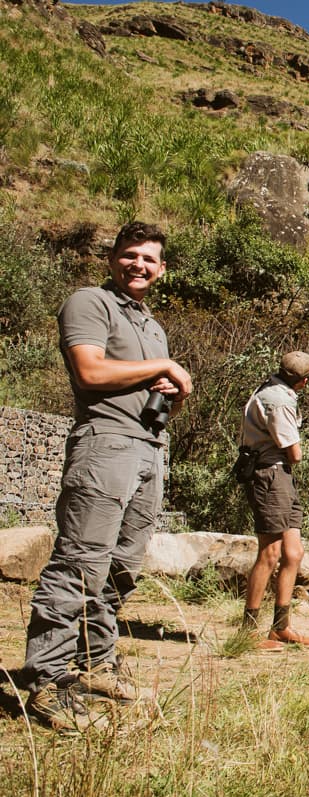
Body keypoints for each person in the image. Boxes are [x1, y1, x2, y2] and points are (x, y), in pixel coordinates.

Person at [22, 221, 193, 731]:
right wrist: (162, 365)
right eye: (131, 254)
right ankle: (46, 682)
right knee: (80, 563)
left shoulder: (151, 324)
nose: (139, 265)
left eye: (149, 259)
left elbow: (146, 392)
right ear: (114, 257)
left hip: (148, 450)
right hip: (104, 445)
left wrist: (172, 395)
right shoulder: (90, 303)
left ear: (161, 270)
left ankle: (95, 663)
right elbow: (91, 373)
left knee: (122, 567)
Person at [238, 351, 309, 650]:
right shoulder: (279, 401)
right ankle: (247, 633)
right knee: (270, 553)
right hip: (270, 475)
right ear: (302, 380)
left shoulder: (273, 388)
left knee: (293, 552)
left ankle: (281, 627)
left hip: (279, 476)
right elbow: (295, 453)